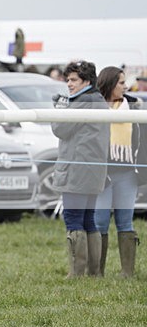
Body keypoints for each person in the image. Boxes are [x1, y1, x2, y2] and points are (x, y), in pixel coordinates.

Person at [51, 60, 109, 278]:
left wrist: (58, 109)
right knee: (88, 219)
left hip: (77, 169)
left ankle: (76, 273)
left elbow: (60, 129)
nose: (69, 84)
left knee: (73, 218)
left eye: (73, 80)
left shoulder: (82, 101)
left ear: (86, 81)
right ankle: (93, 272)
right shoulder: (98, 100)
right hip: (93, 170)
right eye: (67, 79)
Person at [94, 66, 139, 277]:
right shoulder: (94, 108)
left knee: (125, 221)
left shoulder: (135, 107)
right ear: (110, 83)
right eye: (121, 82)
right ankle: (97, 271)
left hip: (128, 173)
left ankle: (127, 272)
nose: (126, 86)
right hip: (102, 173)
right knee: (100, 220)